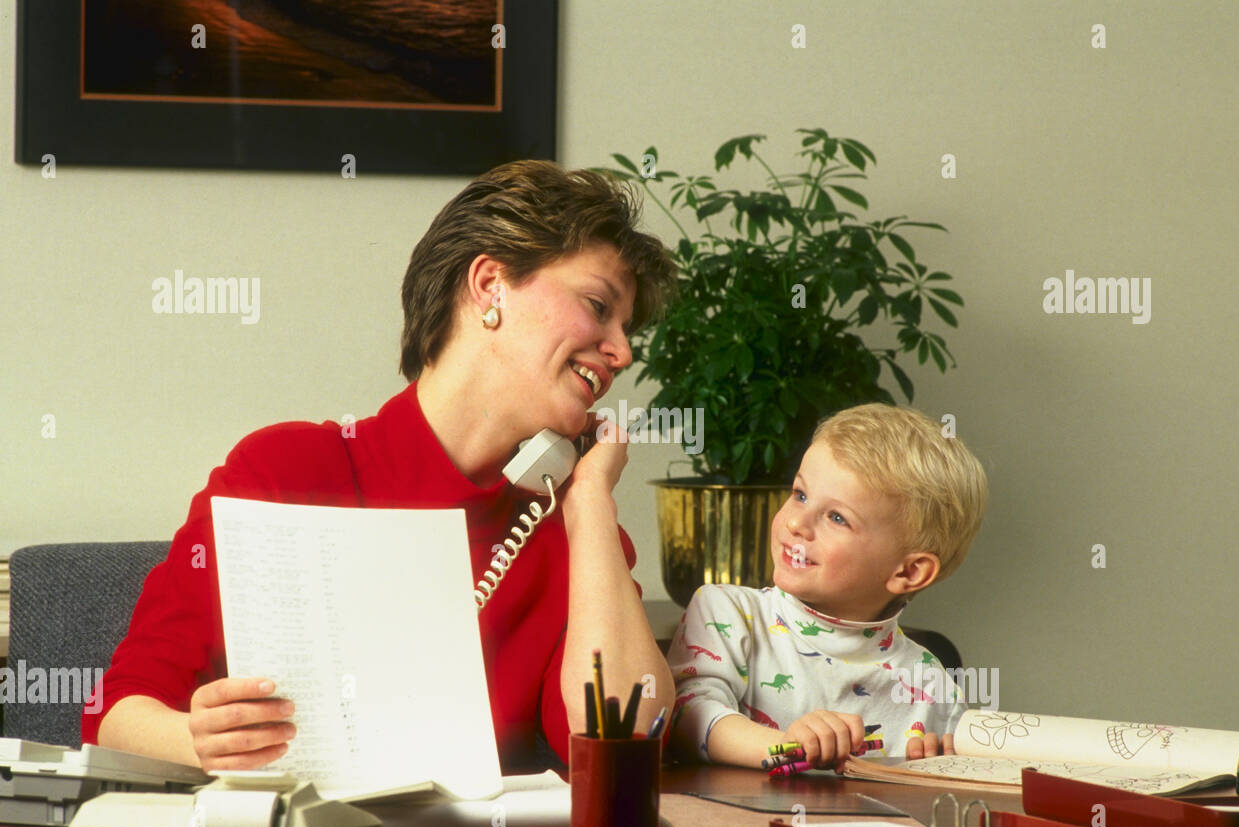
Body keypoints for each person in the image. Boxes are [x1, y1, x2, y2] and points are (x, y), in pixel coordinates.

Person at [85, 160, 678, 773]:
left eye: (626, 328)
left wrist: (589, 505)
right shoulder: (281, 473)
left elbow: (626, 741)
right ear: (489, 285)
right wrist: (199, 743)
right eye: (597, 305)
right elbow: (118, 716)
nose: (623, 351)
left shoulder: (572, 533)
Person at [667, 403, 988, 770]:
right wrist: (786, 746)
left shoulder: (931, 684)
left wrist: (935, 772)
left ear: (909, 572)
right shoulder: (726, 612)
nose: (797, 524)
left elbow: (945, 804)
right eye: (800, 494)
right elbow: (686, 716)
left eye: (837, 517)